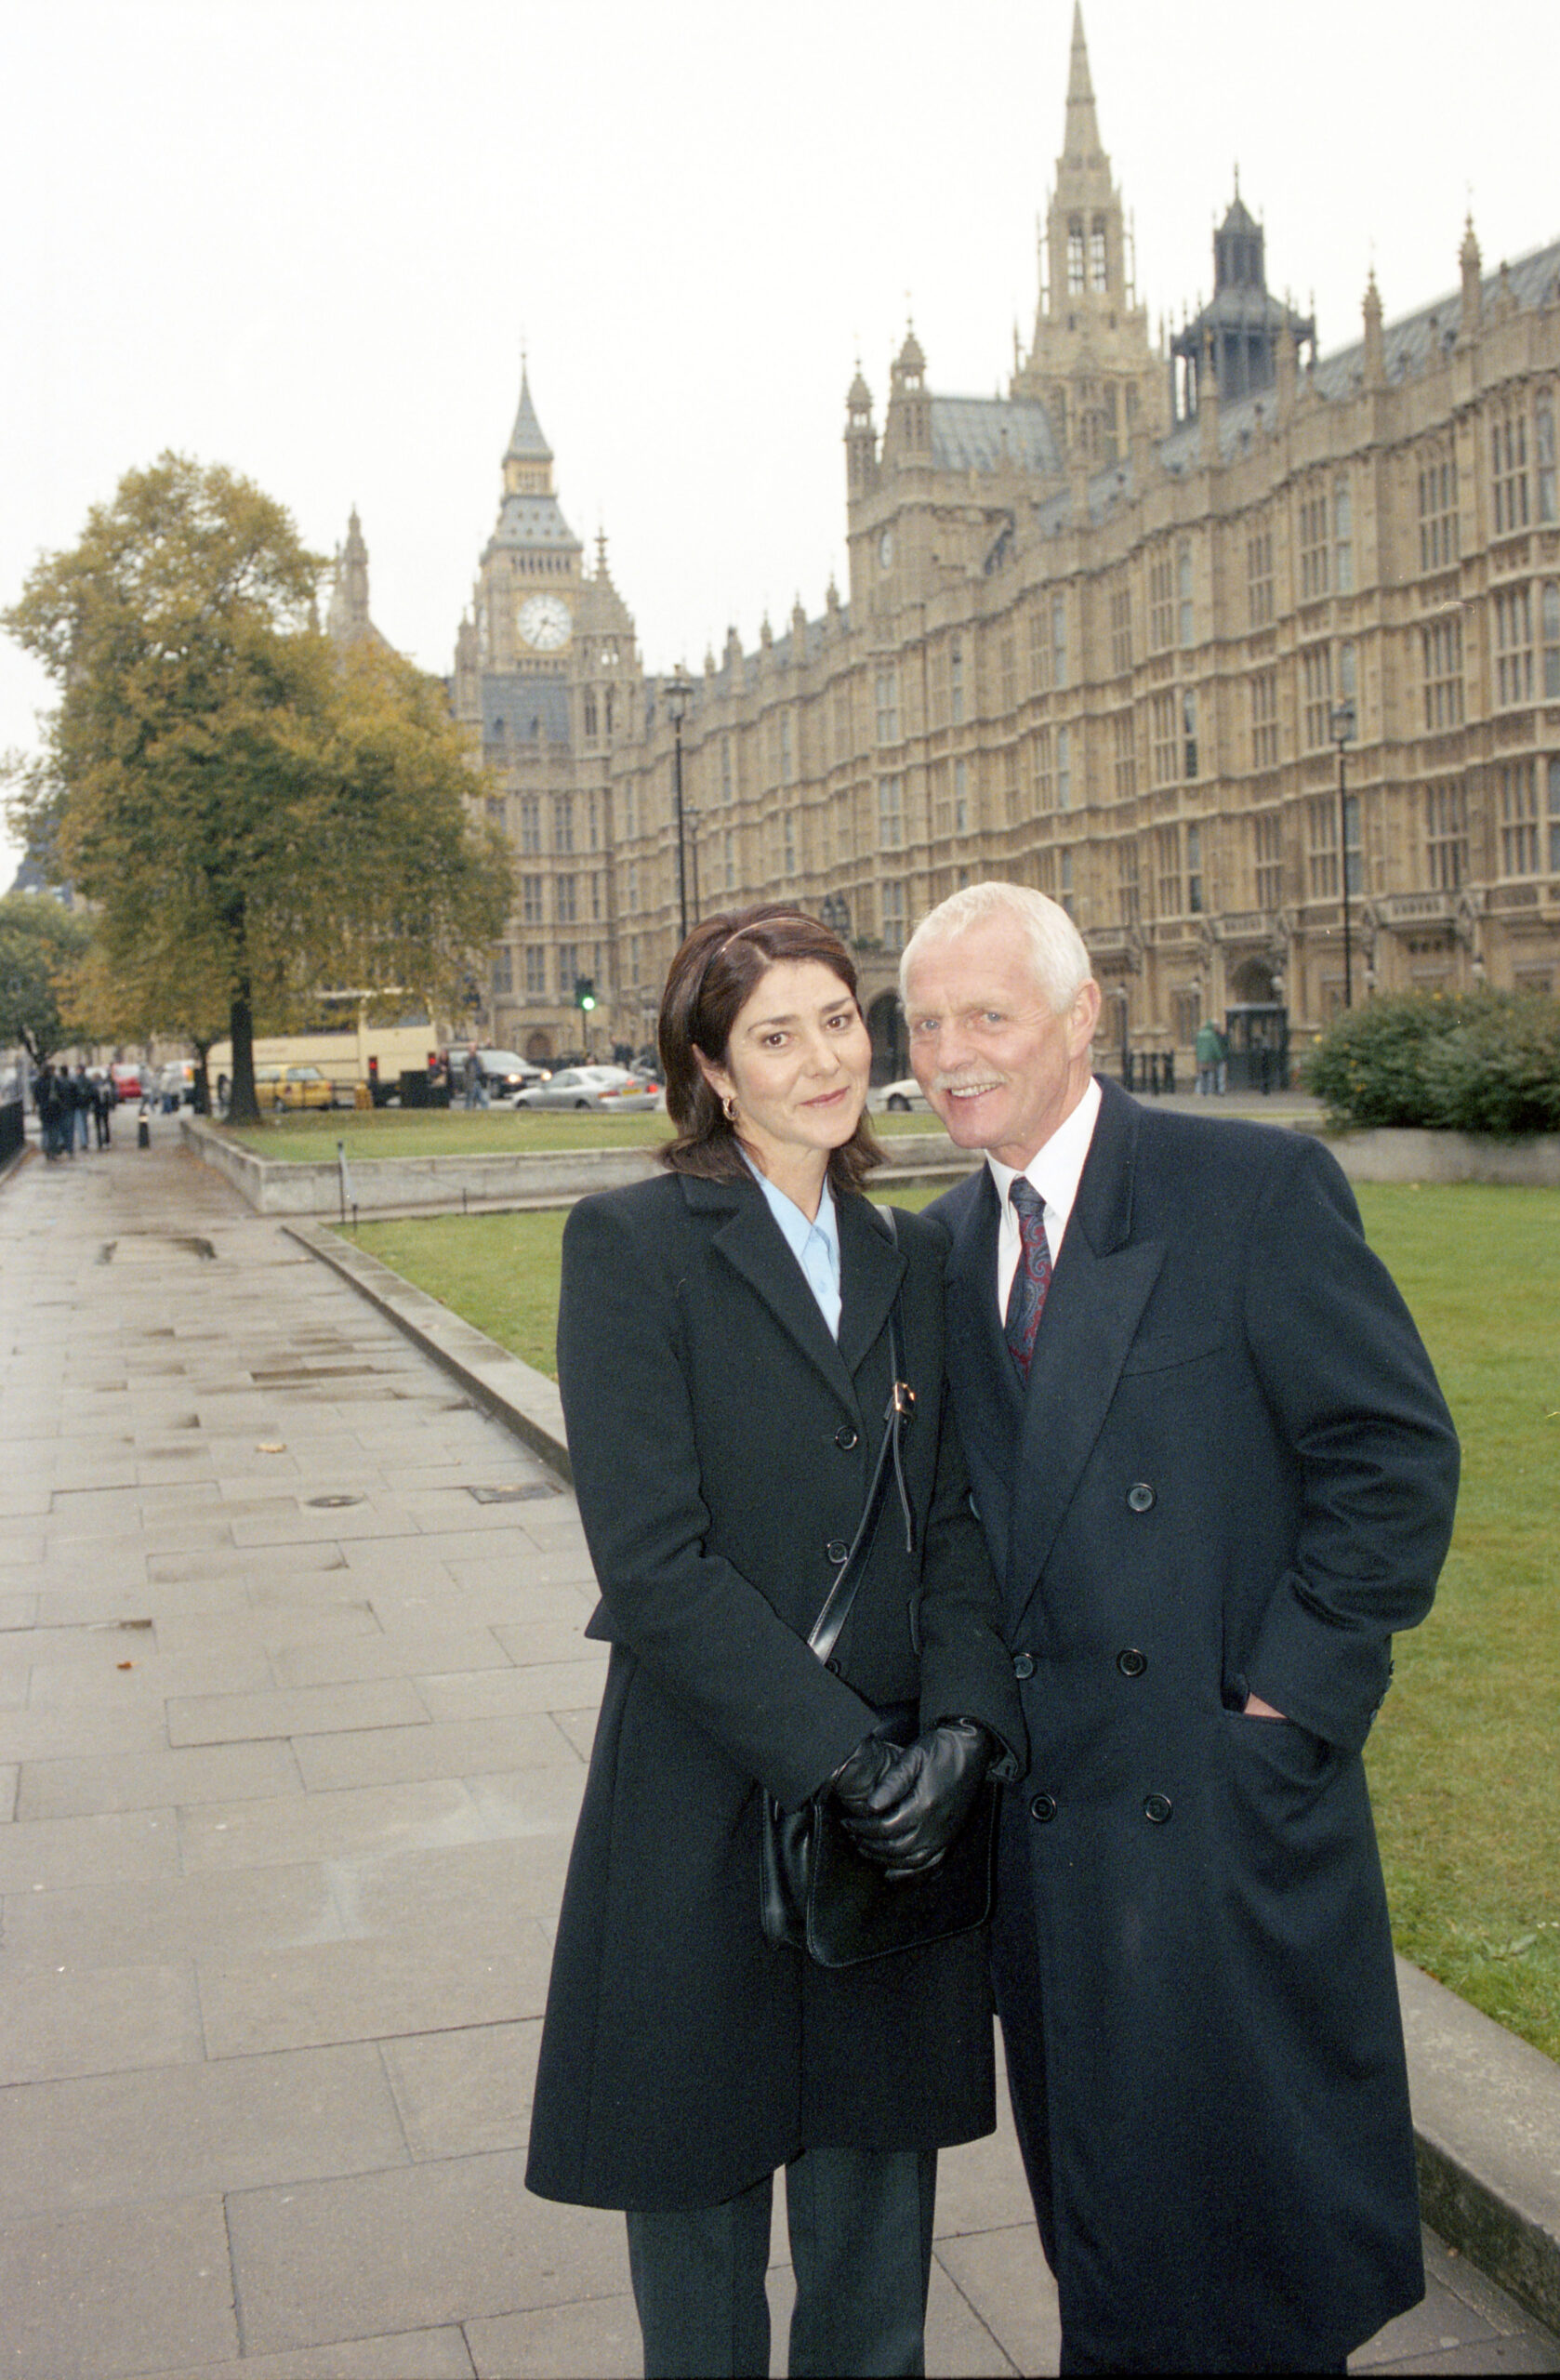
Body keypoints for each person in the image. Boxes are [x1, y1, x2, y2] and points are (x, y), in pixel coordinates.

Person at [900, 880, 1460, 2374]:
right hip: (1052, 1837)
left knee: (1249, 2256)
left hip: (1211, 1801)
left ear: (1085, 1017)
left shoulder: (1244, 1190)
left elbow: (1390, 1457)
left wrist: (1288, 1703)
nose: (950, 1053)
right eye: (927, 1022)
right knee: (1103, 2233)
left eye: (988, 1016)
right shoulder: (942, 1248)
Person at [526, 904, 1024, 2379]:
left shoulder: (912, 1256)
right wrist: (838, 1757)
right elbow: (652, 1561)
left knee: (875, 2254)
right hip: (705, 1791)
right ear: (711, 1071)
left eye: (837, 1020)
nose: (820, 1059)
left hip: (895, 1812)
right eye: (772, 1034)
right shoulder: (630, 1243)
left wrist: (960, 1735)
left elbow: (948, 1527)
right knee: (699, 2237)